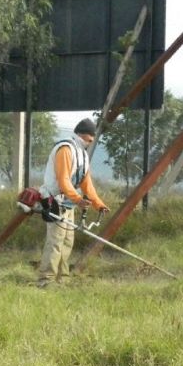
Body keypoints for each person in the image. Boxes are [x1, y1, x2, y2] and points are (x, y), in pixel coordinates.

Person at [37, 117, 110, 288]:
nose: (91, 143)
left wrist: (98, 203)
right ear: (83, 135)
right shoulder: (65, 149)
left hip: (69, 203)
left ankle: (63, 277)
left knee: (67, 241)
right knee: (55, 241)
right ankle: (46, 280)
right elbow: (63, 180)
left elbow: (86, 183)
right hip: (55, 200)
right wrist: (78, 199)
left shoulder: (82, 154)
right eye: (90, 140)